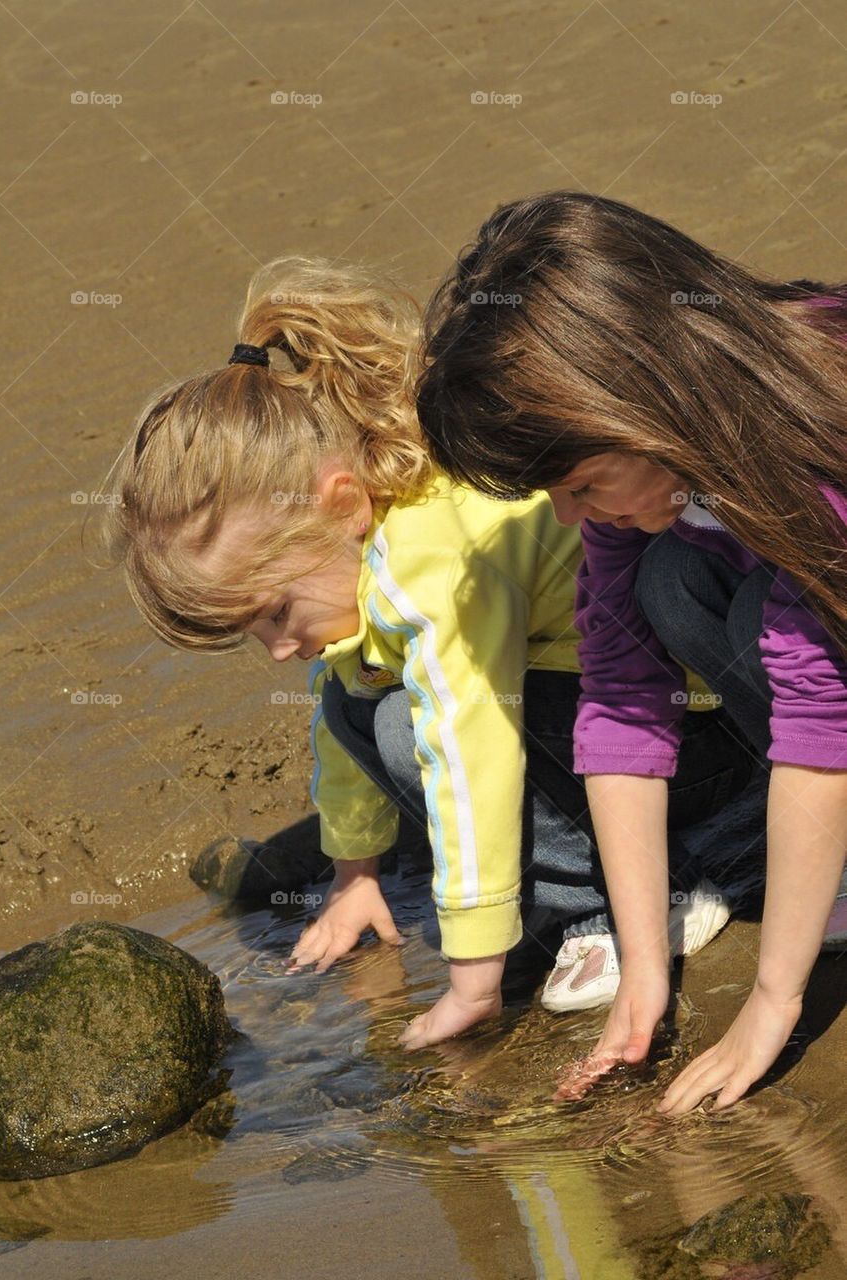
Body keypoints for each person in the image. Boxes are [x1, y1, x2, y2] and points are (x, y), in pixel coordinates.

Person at [98, 254, 764, 1050]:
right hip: (611, 714)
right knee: (355, 704)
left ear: (342, 503)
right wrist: (355, 876)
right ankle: (567, 887)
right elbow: (344, 706)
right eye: (254, 632)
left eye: (274, 612)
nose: (276, 649)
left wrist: (472, 974)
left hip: (691, 735)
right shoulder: (360, 549)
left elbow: (467, 749)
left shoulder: (428, 564)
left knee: (409, 734)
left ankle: (653, 890)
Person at [414, 188, 847, 1113]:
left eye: (578, 484)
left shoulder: (815, 423)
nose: (570, 517)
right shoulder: (653, 461)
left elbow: (820, 714)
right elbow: (620, 697)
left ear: (643, 391)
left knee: (771, 613)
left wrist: (772, 1004)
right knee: (666, 583)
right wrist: (644, 970)